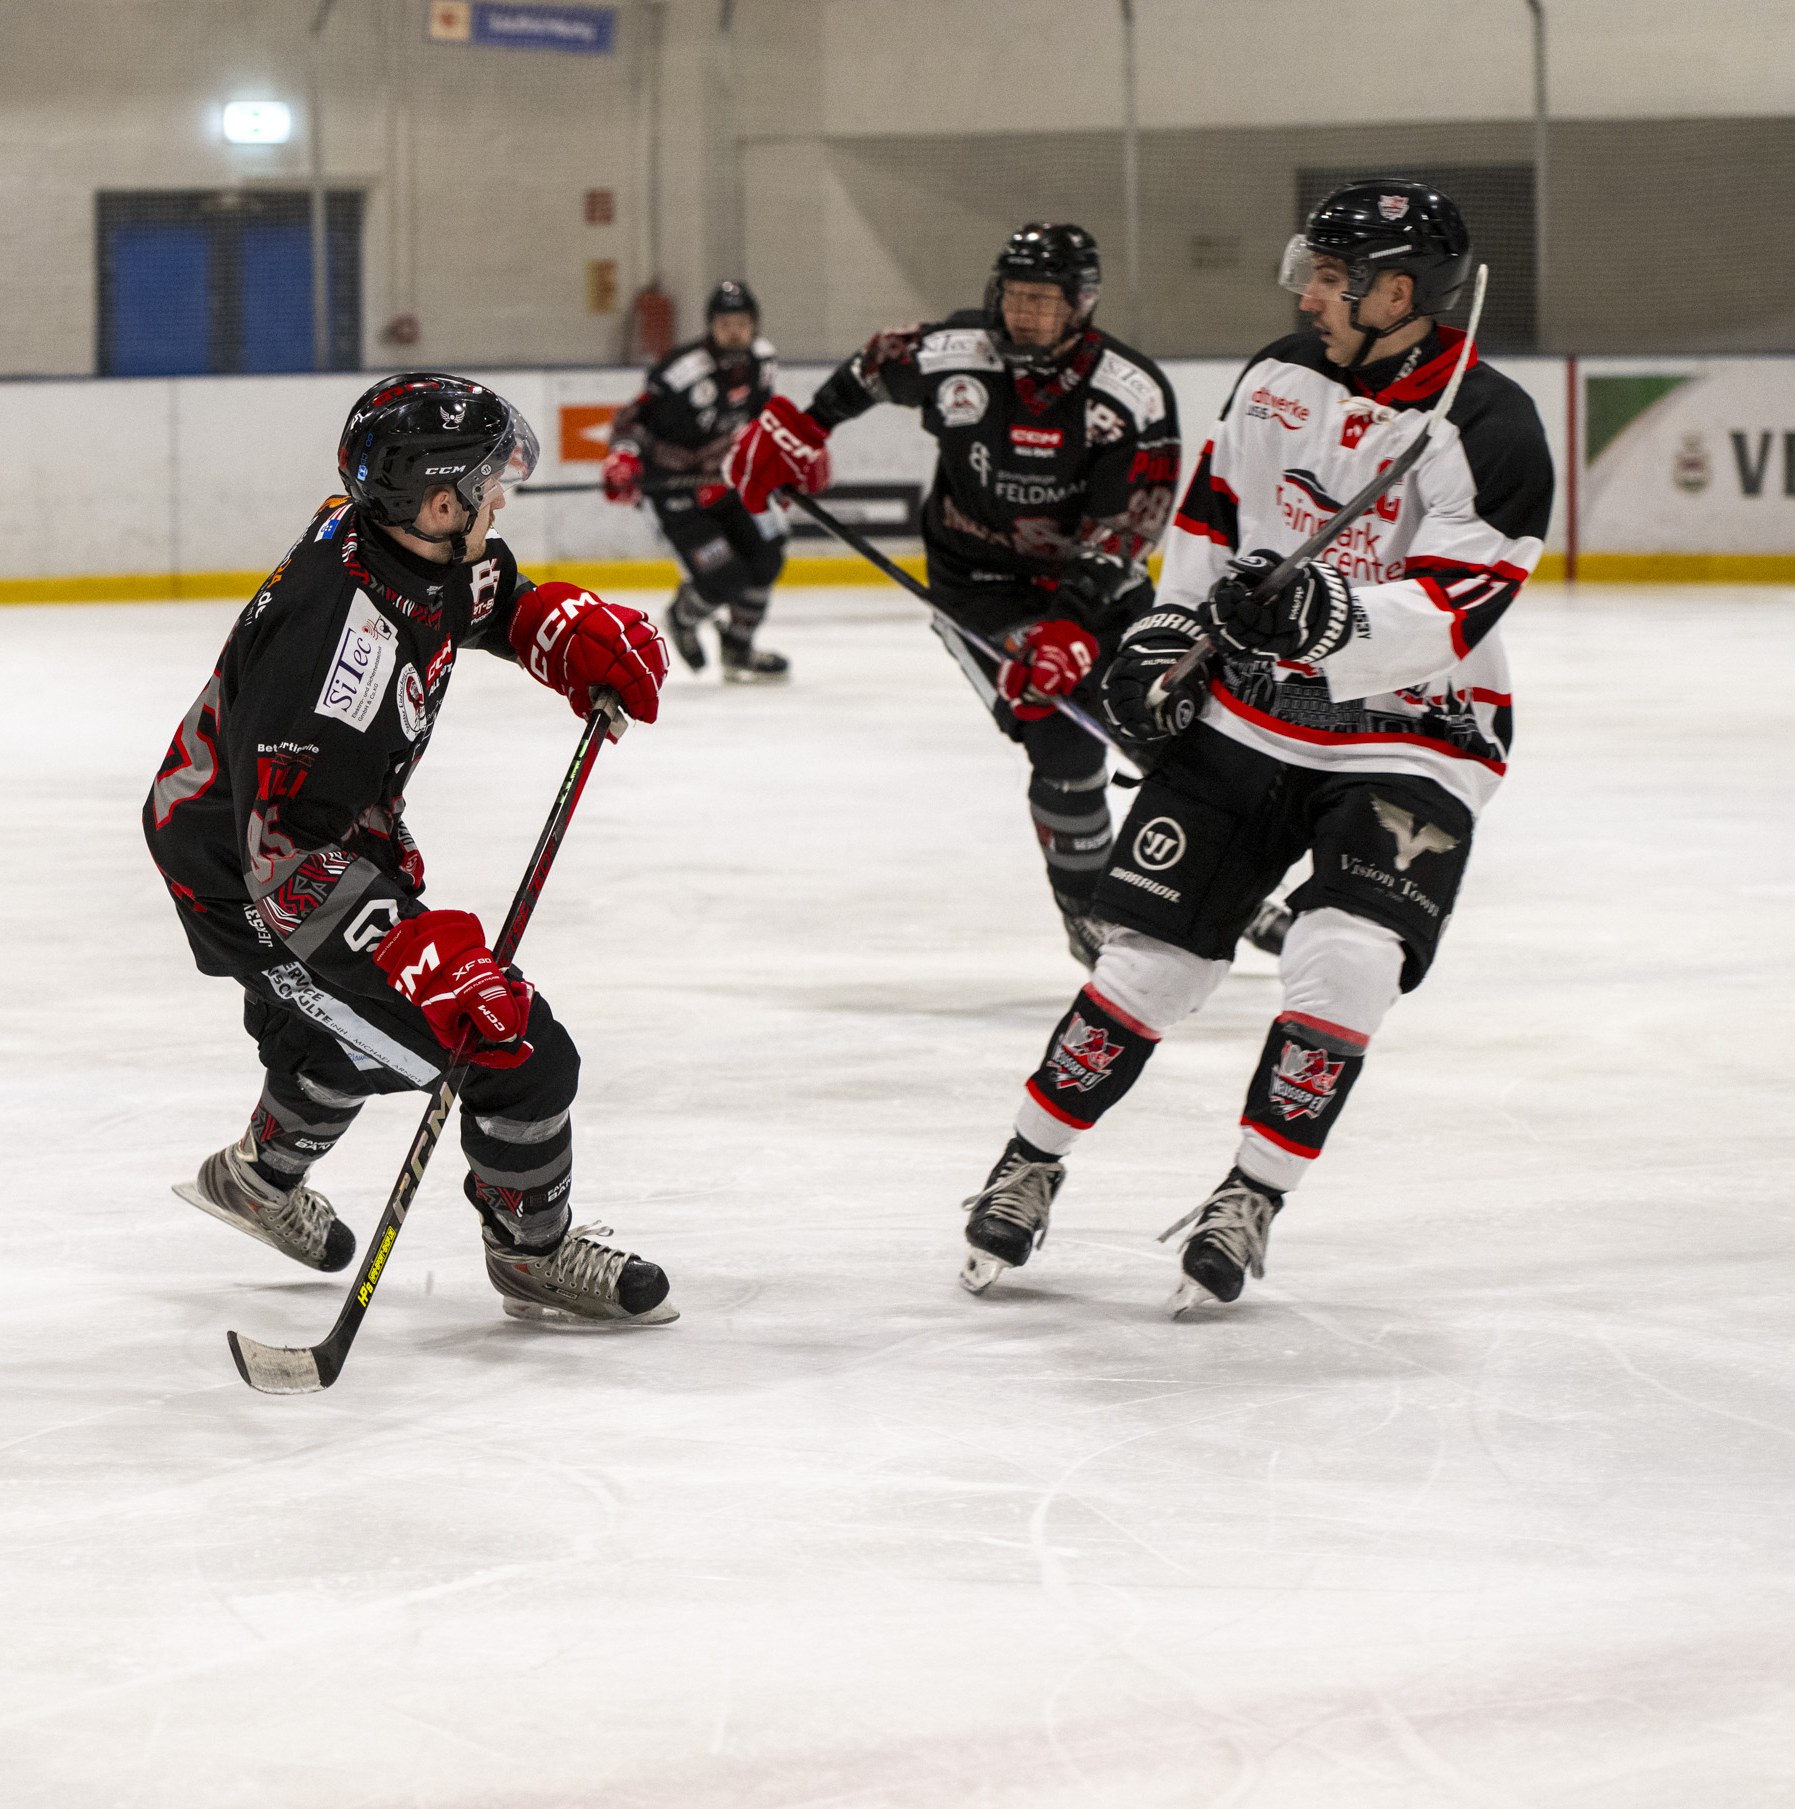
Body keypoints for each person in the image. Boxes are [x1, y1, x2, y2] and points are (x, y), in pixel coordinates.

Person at [952, 179, 1551, 1316]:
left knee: (1348, 957)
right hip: (1250, 712)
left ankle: (1253, 1193)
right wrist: (1171, 628)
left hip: (1416, 734)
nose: (1310, 293)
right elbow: (1213, 518)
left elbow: (1468, 597)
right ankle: (1029, 1159)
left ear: (1399, 293)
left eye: (1333, 277)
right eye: (1313, 272)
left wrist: (1341, 622)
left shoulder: (1492, 422)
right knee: (1149, 965)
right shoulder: (1277, 376)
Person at [147, 372, 679, 1324]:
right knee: (510, 1047)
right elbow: (284, 858)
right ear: (440, 501)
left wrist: (545, 626)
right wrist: (401, 947)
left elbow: (470, 591)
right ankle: (533, 1254)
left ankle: (257, 1182)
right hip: (251, 880)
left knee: (363, 1040)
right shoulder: (337, 655)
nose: (500, 498)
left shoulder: (383, 536)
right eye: (486, 482)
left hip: (296, 834)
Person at [726, 224, 1188, 966]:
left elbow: (1127, 530)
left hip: (1091, 586)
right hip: (978, 588)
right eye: (1014, 295)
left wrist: (1070, 625)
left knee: (1161, 728)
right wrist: (802, 427)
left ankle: (1197, 875)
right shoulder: (956, 355)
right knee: (1064, 740)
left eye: (1043, 300)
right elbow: (875, 364)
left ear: (1081, 306)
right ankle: (1091, 910)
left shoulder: (1129, 396)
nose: (1023, 313)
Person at [601, 280, 791, 683]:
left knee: (767, 558)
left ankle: (738, 650)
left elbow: (760, 419)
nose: (735, 330)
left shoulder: (763, 358)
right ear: (711, 326)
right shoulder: (682, 369)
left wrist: (776, 460)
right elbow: (630, 421)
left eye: (742, 321)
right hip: (673, 488)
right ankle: (680, 617)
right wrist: (623, 457)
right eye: (726, 322)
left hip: (726, 482)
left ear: (754, 324)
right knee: (722, 578)